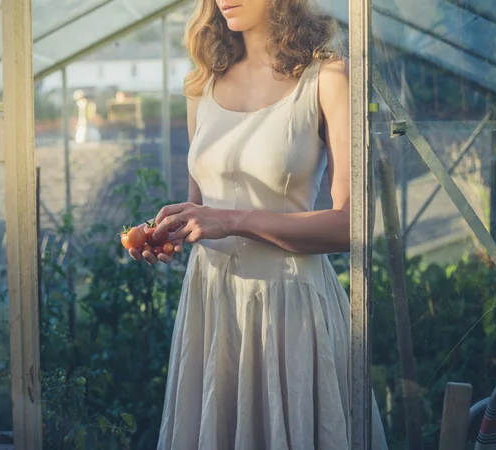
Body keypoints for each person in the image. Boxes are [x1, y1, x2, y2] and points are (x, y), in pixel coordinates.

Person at [128, 0, 389, 448]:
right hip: (211, 304)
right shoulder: (201, 84)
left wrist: (230, 220)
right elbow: (202, 205)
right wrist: (167, 232)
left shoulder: (328, 78)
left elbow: (352, 226)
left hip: (290, 307)